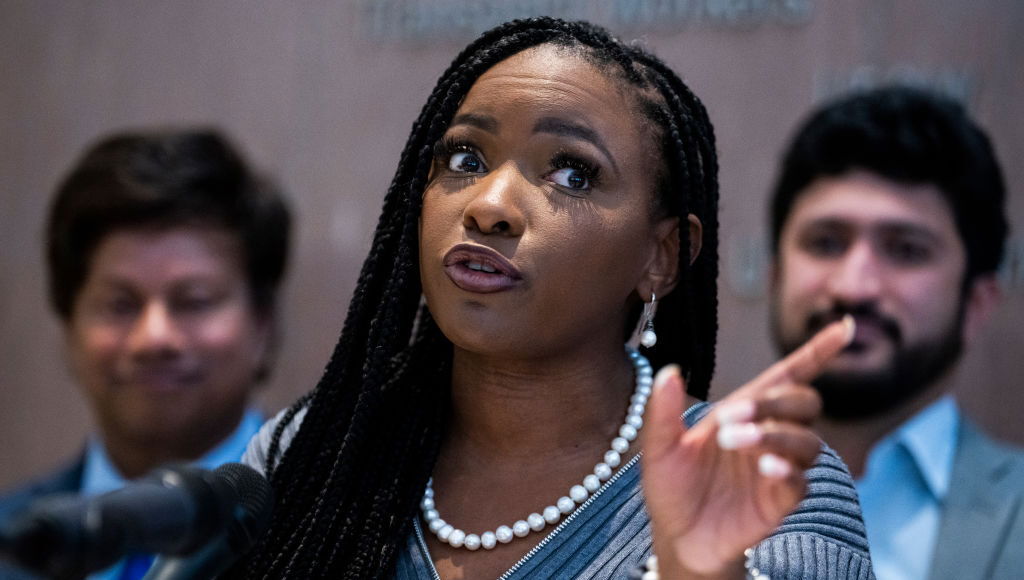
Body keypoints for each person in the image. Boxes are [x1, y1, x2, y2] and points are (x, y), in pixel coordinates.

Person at [229, 18, 873, 579]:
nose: (489, 206)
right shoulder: (312, 450)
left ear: (662, 255)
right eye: (464, 160)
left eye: (572, 173)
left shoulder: (764, 483)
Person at [0, 128, 292, 580]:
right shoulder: (16, 542)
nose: (154, 338)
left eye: (193, 301)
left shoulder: (343, 530)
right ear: (68, 326)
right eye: (120, 304)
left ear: (263, 325)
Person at [769, 86, 1024, 579]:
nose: (853, 287)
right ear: (778, 275)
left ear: (976, 301)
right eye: (825, 243)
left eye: (906, 250)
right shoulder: (671, 497)